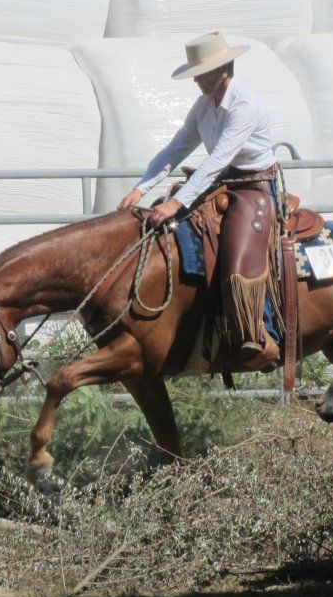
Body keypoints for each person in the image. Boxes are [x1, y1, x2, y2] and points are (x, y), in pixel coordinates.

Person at [118, 32, 281, 367]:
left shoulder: (244, 106)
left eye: (204, 74)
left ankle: (260, 331)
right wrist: (142, 188)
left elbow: (218, 159)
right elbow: (176, 148)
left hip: (253, 186)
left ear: (224, 70)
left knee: (238, 249)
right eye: (197, 75)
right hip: (220, 182)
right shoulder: (204, 105)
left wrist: (175, 203)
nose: (199, 81)